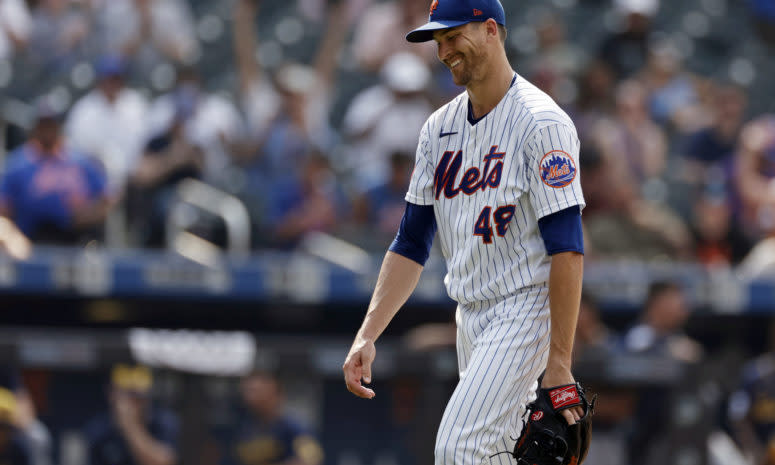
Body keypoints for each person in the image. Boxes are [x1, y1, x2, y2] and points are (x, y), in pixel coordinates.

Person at [342, 1, 587, 463]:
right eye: (438, 41)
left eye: (454, 36)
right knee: (493, 455)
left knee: (460, 448)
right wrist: (368, 333)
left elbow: (568, 249)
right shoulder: (438, 129)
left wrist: (560, 359)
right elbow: (411, 242)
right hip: (470, 316)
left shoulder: (542, 122)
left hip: (525, 306)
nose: (444, 50)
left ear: (491, 29)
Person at [0, 102, 111, 245]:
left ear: (59, 127)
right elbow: (3, 209)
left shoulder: (80, 162)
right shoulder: (17, 164)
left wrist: (86, 215)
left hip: (76, 238)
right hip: (29, 239)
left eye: (51, 126)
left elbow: (106, 200)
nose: (47, 131)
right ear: (34, 128)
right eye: (43, 126)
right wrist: (12, 237)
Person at [220, 370, 323, 465]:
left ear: (276, 395)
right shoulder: (243, 427)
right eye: (248, 391)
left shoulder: (295, 428)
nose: (251, 397)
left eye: (258, 391)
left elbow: (311, 460)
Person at [84, 364, 179, 465]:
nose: (134, 404)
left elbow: (164, 462)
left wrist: (130, 425)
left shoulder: (163, 422)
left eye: (139, 396)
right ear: (112, 394)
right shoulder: (100, 429)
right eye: (128, 396)